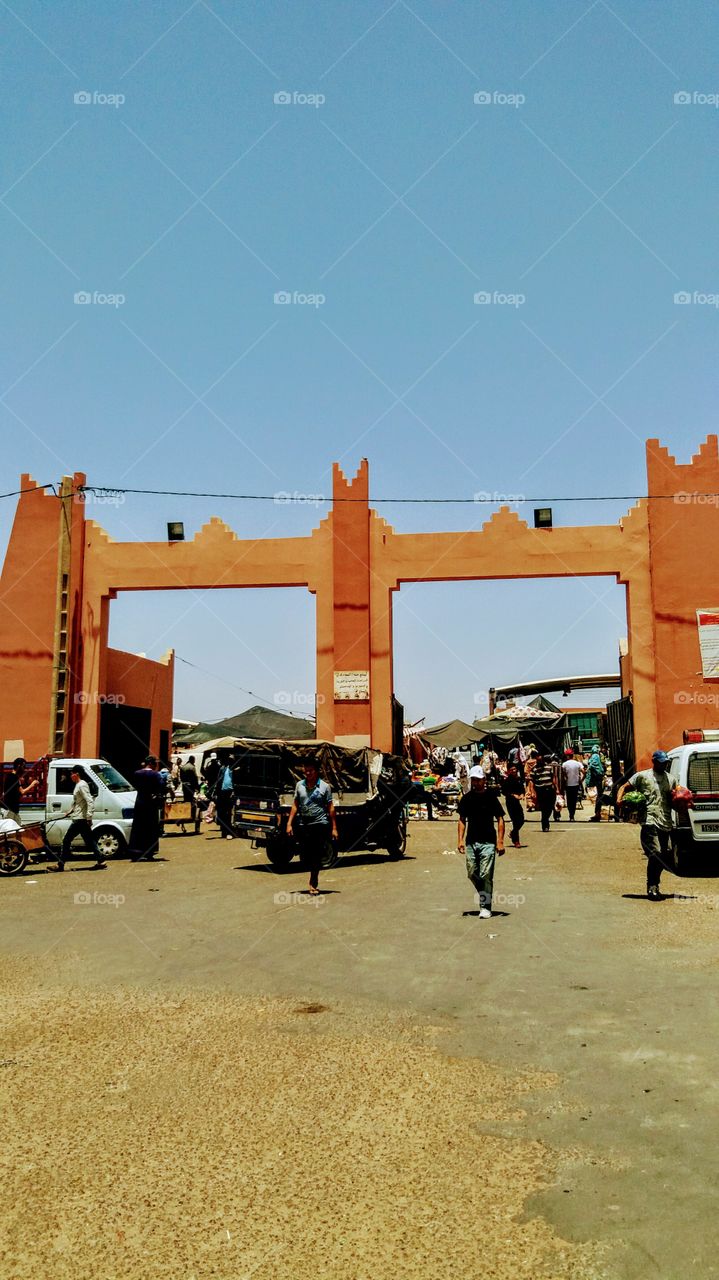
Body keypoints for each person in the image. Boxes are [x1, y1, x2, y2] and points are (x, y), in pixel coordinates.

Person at [617, 750, 676, 900]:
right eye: (661, 762)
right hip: (649, 820)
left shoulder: (671, 779)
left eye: (666, 762)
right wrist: (619, 800)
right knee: (655, 853)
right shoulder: (642, 776)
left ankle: (655, 883)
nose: (664, 764)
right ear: (654, 761)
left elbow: (676, 798)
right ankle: (652, 886)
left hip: (666, 821)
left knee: (666, 854)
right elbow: (624, 786)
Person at [457, 766, 505, 918]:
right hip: (471, 841)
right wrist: (459, 840)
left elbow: (500, 819)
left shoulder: (491, 797)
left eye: (478, 780)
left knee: (485, 874)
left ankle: (485, 906)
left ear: (484, 780)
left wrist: (500, 841)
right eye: (473, 780)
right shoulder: (467, 798)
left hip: (488, 841)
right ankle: (484, 893)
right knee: (472, 873)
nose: (475, 783)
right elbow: (462, 820)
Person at [286, 759, 339, 895]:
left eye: (311, 770)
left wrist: (334, 827)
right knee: (305, 853)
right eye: (306, 770)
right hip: (304, 824)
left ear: (316, 771)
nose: (308, 773)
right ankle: (312, 873)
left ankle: (313, 881)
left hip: (320, 824)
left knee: (316, 854)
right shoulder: (299, 785)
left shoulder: (324, 787)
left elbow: (331, 808)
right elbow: (295, 804)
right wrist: (289, 823)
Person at [51, 766, 105, 871]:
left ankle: (60, 864)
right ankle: (101, 861)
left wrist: (89, 816)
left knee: (66, 840)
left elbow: (89, 801)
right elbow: (77, 802)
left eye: (72, 774)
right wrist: (70, 810)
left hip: (80, 819)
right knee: (89, 840)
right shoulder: (78, 785)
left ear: (77, 774)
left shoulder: (82, 785)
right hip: (80, 817)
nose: (71, 776)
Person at [129, 755, 165, 861]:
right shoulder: (156, 775)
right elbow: (161, 786)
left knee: (138, 827)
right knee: (151, 828)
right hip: (150, 803)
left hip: (140, 802)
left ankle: (135, 851)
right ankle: (149, 852)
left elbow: (134, 785)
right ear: (152, 764)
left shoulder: (137, 774)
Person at [2, 757, 38, 822]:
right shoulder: (14, 777)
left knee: (17, 828)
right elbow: (22, 792)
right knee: (11, 830)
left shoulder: (10, 776)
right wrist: (32, 784)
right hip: (10, 810)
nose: (24, 769)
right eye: (23, 766)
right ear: (19, 766)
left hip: (12, 810)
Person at [501, 765, 525, 848]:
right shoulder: (507, 781)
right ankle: (516, 841)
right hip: (510, 802)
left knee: (521, 820)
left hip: (517, 802)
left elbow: (522, 789)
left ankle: (512, 832)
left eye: (515, 769)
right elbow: (504, 791)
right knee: (515, 821)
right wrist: (513, 795)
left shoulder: (518, 779)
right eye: (512, 769)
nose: (514, 771)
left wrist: (522, 794)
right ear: (509, 771)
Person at [532, 753, 557, 832]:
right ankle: (545, 825)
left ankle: (545, 819)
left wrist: (556, 788)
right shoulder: (534, 769)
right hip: (540, 790)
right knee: (543, 808)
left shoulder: (549, 767)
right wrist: (533, 792)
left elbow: (553, 777)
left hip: (550, 789)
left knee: (550, 807)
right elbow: (532, 781)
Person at [214, 755, 236, 840]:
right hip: (222, 793)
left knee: (228, 813)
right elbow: (218, 781)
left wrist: (234, 792)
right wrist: (216, 793)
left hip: (230, 793)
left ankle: (229, 832)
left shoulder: (235, 770)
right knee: (222, 812)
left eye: (232, 761)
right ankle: (224, 831)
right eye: (229, 760)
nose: (230, 762)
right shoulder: (223, 769)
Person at [561, 749, 585, 822]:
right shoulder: (578, 764)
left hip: (568, 784)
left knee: (569, 800)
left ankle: (570, 814)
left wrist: (565, 779)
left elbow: (563, 775)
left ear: (567, 756)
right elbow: (584, 772)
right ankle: (572, 815)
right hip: (576, 784)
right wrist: (581, 780)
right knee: (574, 800)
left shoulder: (564, 764)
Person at [586, 748, 606, 821]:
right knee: (598, 796)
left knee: (598, 797)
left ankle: (597, 815)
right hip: (597, 780)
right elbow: (594, 765)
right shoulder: (596, 756)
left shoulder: (595, 756)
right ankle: (597, 814)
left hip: (597, 780)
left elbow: (592, 766)